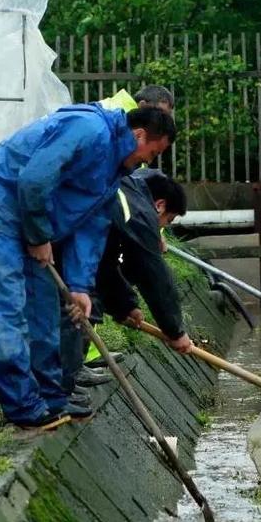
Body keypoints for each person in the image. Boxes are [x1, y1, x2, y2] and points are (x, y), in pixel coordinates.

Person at [0, 104, 176, 429]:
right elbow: (33, 179)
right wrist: (38, 235)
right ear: (139, 135)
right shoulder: (89, 129)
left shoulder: (113, 173)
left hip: (32, 223)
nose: (149, 162)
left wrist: (79, 286)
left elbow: (90, 229)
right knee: (6, 310)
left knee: (43, 310)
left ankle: (51, 396)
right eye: (153, 152)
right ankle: (24, 407)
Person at [62, 85, 175, 386]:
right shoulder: (112, 125)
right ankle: (65, 379)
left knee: (90, 279)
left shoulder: (117, 125)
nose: (149, 160)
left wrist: (125, 304)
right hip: (67, 223)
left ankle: (72, 369)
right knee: (78, 292)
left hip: (86, 223)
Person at [62, 170, 193, 407]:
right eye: (168, 221)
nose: (163, 227)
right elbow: (152, 274)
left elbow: (107, 266)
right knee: (77, 307)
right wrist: (175, 331)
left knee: (91, 299)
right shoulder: (137, 210)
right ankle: (62, 387)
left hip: (88, 259)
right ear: (160, 206)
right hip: (65, 254)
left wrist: (126, 306)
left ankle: (71, 373)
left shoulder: (132, 190)